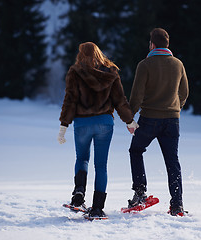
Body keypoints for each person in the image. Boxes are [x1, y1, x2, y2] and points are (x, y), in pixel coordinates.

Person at [58, 42, 138, 219]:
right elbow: (120, 100)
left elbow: (70, 100)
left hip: (82, 124)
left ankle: (78, 196)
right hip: (104, 123)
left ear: (81, 54)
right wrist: (130, 120)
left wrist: (64, 125)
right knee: (101, 165)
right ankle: (97, 208)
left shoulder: (75, 72)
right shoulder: (110, 73)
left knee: (82, 158)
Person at [126, 28, 189, 216]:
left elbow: (136, 95)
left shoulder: (145, 65)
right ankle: (177, 204)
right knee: (172, 161)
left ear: (152, 44)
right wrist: (175, 108)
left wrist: (130, 118)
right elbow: (184, 93)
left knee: (136, 150)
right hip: (172, 121)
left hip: (149, 119)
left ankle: (140, 193)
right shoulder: (178, 64)